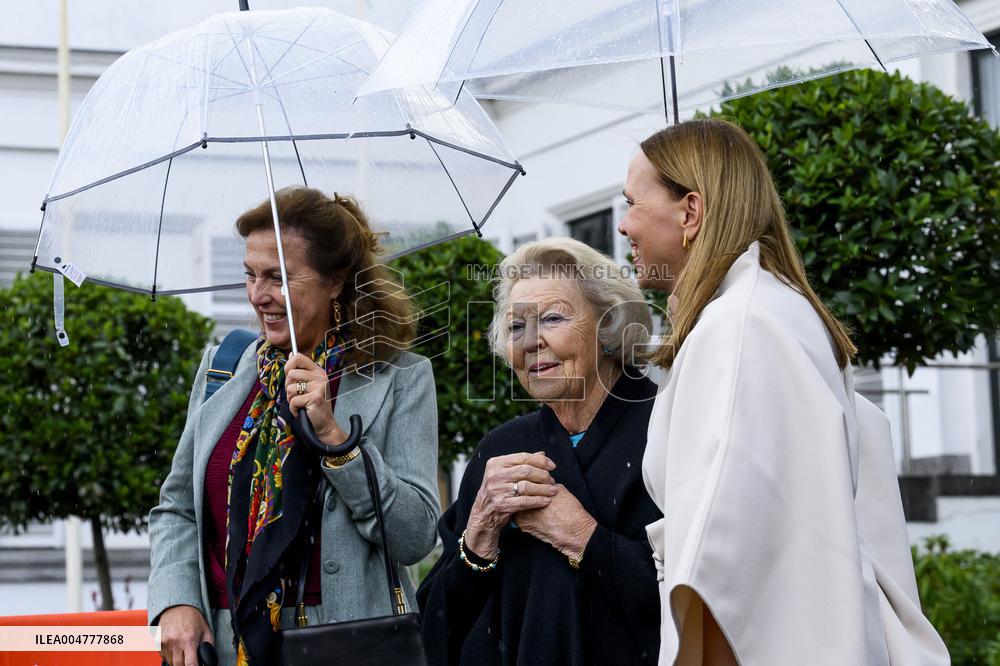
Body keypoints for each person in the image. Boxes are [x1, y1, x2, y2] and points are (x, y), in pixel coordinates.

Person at [621, 119, 949, 665]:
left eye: (631, 202)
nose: (624, 226)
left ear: (691, 212)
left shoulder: (740, 327)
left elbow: (724, 565)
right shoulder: (767, 311)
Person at [148, 187, 440, 666]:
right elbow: (177, 508)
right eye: (250, 275)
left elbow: (414, 535)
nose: (259, 296)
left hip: (346, 646)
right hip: (226, 645)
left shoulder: (399, 377)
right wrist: (177, 599)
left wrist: (335, 438)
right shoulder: (222, 369)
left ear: (336, 280)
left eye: (279, 277)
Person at [418, 237, 663, 665]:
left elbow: (702, 599)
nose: (530, 342)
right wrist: (479, 534)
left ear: (609, 327)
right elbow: (437, 627)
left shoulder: (666, 427)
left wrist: (582, 537)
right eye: (515, 327)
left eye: (551, 318)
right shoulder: (502, 450)